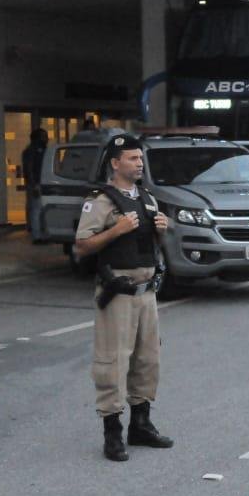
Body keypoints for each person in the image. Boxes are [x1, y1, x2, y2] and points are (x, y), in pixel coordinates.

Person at [74, 134, 172, 462]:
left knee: (147, 360)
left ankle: (141, 424)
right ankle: (112, 433)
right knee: (113, 361)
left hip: (147, 292)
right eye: (132, 158)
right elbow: (82, 246)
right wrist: (116, 230)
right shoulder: (100, 201)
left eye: (140, 158)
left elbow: (152, 246)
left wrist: (161, 228)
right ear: (115, 164)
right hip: (118, 291)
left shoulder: (147, 198)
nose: (139, 163)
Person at [21, 128, 49, 242]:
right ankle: (37, 235)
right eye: (44, 136)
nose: (46, 139)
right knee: (36, 210)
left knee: (41, 210)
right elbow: (29, 169)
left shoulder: (41, 150)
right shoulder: (32, 151)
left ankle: (42, 234)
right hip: (36, 184)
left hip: (42, 183)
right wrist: (34, 184)